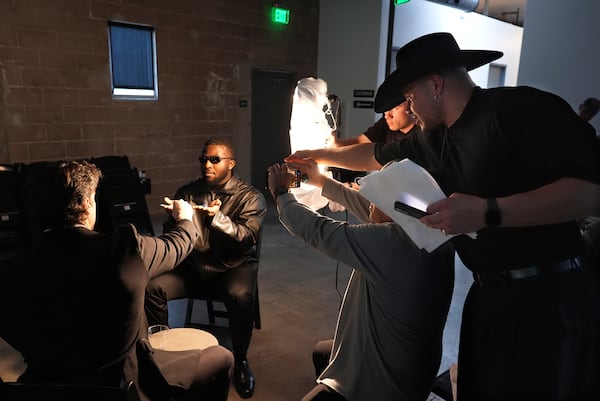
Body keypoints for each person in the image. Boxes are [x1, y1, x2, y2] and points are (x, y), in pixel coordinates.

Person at [287, 32, 600, 401]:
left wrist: (488, 211)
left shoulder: (515, 110)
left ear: (435, 85)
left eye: (409, 98)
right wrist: (316, 155)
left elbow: (590, 191)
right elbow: (375, 154)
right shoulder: (436, 139)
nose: (410, 108)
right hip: (489, 299)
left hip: (549, 302)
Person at [0, 160, 233, 401]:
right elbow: (175, 246)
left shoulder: (7, 273)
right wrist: (185, 219)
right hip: (125, 386)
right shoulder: (124, 250)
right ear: (86, 203)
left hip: (43, 391)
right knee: (223, 357)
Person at [266, 159, 455, 401]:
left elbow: (318, 230)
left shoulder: (393, 245)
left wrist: (281, 194)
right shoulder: (431, 235)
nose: (370, 202)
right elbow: (374, 211)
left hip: (376, 387)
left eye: (377, 196)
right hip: (411, 376)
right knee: (323, 351)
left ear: (395, 206)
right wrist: (320, 180)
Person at [145, 137, 266, 399]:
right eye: (203, 159)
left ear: (231, 163)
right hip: (193, 267)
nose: (207, 164)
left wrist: (217, 218)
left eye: (214, 159)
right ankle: (159, 354)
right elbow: (172, 238)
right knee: (153, 287)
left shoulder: (249, 197)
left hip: (230, 267)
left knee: (239, 295)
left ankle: (241, 360)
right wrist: (175, 219)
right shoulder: (187, 193)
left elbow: (247, 238)